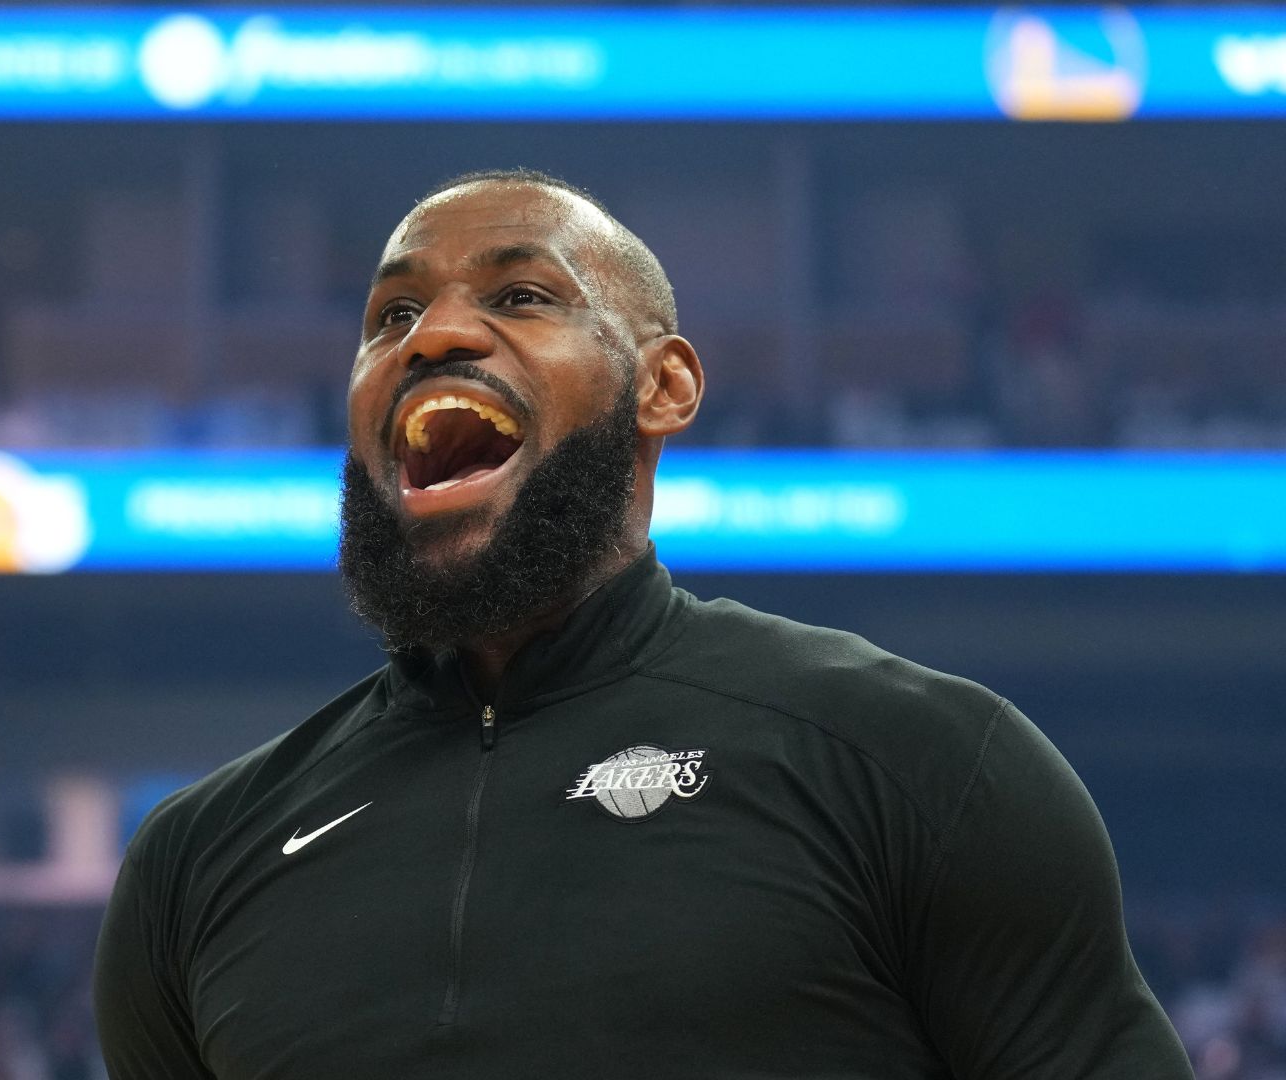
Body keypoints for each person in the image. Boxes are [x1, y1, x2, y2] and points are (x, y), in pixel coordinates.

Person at [92, 169, 1190, 1078]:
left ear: (663, 386)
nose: (432, 337)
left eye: (523, 296)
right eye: (391, 316)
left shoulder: (922, 764)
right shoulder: (195, 862)